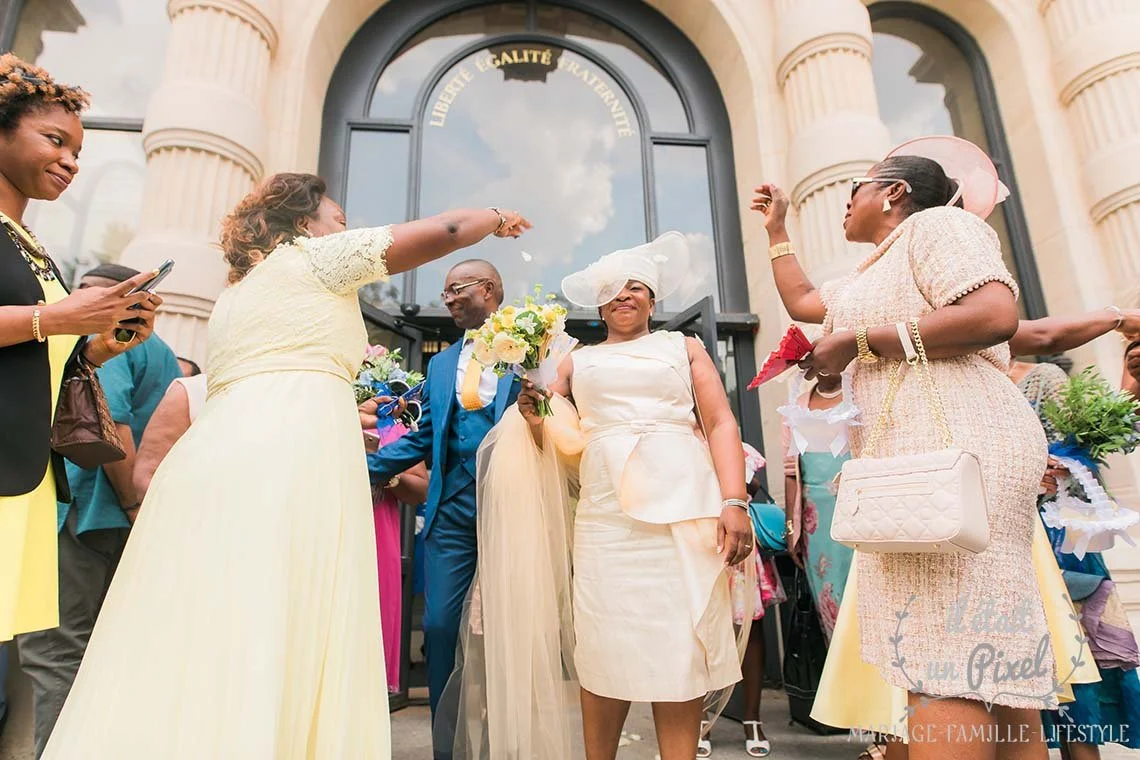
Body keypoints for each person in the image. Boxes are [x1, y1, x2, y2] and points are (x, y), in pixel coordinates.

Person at [38, 172, 530, 759]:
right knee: (286, 616)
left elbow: (268, 383)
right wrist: (497, 217)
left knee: (206, 623)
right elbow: (448, 230)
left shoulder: (233, 297)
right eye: (339, 218)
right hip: (289, 460)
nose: (345, 228)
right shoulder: (314, 259)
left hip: (213, 460)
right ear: (304, 225)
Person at [752, 136, 1081, 758]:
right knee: (992, 657)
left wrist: (859, 346)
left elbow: (993, 315)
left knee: (940, 653)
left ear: (894, 192)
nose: (845, 207)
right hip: (927, 458)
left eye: (854, 193)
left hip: (958, 444)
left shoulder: (940, 227)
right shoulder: (874, 269)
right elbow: (804, 303)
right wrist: (777, 230)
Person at [449, 232, 755, 760]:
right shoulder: (575, 363)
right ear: (598, 300)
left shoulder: (684, 349)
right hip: (606, 521)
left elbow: (722, 421)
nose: (625, 295)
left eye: (636, 286)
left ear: (653, 299)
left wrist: (734, 501)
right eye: (613, 287)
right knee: (603, 646)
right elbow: (553, 439)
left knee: (681, 647)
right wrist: (532, 414)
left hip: (684, 514)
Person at [0, 54, 161, 646]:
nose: (70, 161)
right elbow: (40, 323)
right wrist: (59, 315)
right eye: (54, 140)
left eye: (78, 153)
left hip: (25, 471)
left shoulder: (32, 244)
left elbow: (32, 350)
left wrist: (96, 348)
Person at [15, 263, 181, 757]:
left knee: (54, 652)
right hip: (128, 520)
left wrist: (130, 501)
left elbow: (115, 425)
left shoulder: (111, 339)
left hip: (90, 514)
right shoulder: (164, 353)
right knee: (109, 656)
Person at [365, 260, 521, 737]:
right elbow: (424, 436)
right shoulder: (439, 363)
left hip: (514, 510)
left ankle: (505, 739)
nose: (449, 299)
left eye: (458, 289)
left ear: (490, 288)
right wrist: (356, 468)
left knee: (510, 633)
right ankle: (447, 746)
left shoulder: (534, 348)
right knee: (437, 629)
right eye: (445, 292)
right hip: (451, 511)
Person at [1011, 358, 1140, 759]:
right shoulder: (955, 382)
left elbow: (1083, 448)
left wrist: (1057, 467)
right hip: (999, 537)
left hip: (1056, 534)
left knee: (1077, 662)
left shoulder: (1043, 378)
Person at [713, 443, 785, 759]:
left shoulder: (736, 447)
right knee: (702, 637)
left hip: (738, 550)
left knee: (752, 634)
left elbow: (752, 485)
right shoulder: (677, 442)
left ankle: (752, 719)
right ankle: (701, 719)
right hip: (699, 547)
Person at [358, 395, 429, 694]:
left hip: (378, 530)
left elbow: (420, 489)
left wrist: (390, 475)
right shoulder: (327, 419)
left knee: (372, 619)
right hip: (328, 522)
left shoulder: (391, 429)